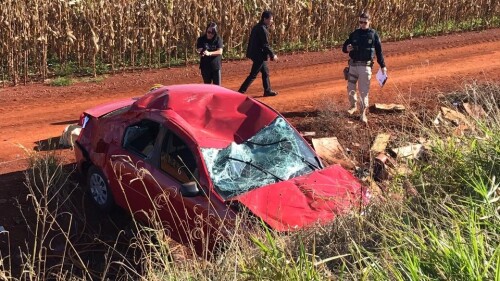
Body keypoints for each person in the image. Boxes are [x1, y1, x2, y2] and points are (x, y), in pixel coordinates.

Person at [342, 12, 387, 123]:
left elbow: (379, 52)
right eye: (360, 22)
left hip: (365, 67)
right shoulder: (354, 34)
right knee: (351, 88)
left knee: (363, 91)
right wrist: (347, 48)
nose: (362, 24)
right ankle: (353, 106)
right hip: (353, 65)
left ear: (369, 22)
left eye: (365, 22)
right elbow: (344, 47)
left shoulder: (373, 34)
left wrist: (383, 66)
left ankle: (362, 113)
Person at [238, 10, 278, 97]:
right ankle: (240, 92)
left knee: (265, 72)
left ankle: (267, 91)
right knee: (253, 74)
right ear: (265, 19)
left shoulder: (258, 27)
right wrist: (272, 55)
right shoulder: (262, 29)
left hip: (256, 54)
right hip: (258, 55)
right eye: (271, 19)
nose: (272, 21)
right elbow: (265, 45)